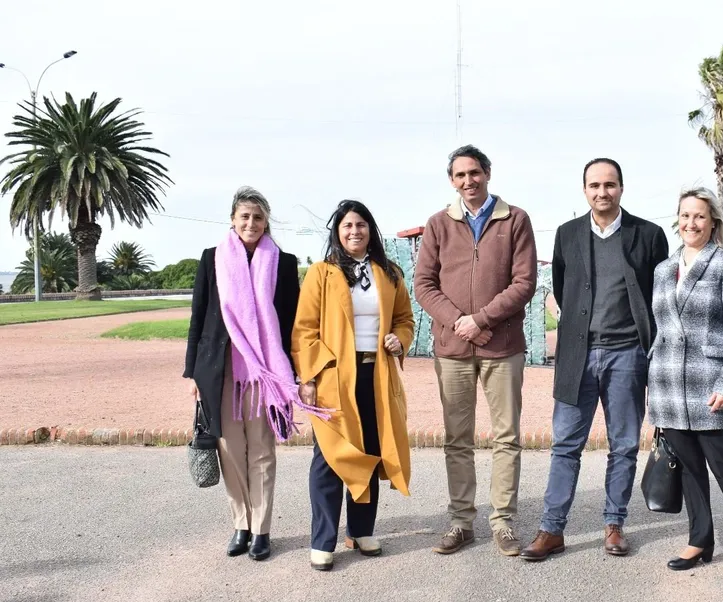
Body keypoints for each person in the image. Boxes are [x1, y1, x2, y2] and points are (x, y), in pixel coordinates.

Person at [520, 158, 669, 562]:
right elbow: (565, 289)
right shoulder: (567, 235)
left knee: (623, 445)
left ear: (622, 187)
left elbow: (659, 296)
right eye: (594, 185)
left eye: (610, 184)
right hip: (577, 355)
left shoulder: (649, 235)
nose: (602, 192)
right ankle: (552, 530)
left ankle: (614, 525)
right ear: (584, 190)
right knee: (565, 445)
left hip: (627, 355)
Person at [413, 144, 538, 557]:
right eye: (460, 175)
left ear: (488, 173)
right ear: (452, 180)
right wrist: (458, 323)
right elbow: (424, 285)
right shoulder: (438, 224)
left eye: (475, 172)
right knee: (457, 439)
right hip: (452, 349)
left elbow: (524, 283)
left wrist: (480, 320)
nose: (469, 181)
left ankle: (503, 521)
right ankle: (461, 521)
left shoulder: (515, 220)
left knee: (506, 437)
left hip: (502, 347)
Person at [183, 186, 320, 561]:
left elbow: (292, 322)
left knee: (261, 452)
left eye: (258, 217)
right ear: (232, 219)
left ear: (266, 222)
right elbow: (198, 317)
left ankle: (261, 530)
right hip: (220, 370)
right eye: (244, 216)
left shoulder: (284, 263)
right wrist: (193, 373)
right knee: (230, 450)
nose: (251, 223)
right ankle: (240, 524)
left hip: (266, 374)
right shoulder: (212, 259)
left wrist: (298, 371)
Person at [646, 187, 723, 582]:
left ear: (712, 221)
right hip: (668, 384)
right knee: (690, 469)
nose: (690, 224)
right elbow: (661, 330)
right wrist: (653, 382)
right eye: (684, 216)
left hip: (710, 383)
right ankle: (700, 540)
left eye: (699, 216)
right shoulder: (663, 269)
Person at [293, 200, 415, 571]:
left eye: (361, 225)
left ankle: (362, 530)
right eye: (347, 226)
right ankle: (323, 540)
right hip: (334, 377)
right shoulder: (322, 273)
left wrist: (399, 338)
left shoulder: (389, 273)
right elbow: (305, 330)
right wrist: (309, 378)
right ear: (337, 231)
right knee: (330, 456)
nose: (354, 231)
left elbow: (405, 319)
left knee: (372, 449)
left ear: (370, 230)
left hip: (376, 375)